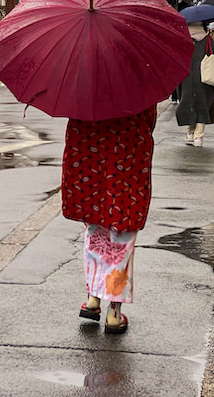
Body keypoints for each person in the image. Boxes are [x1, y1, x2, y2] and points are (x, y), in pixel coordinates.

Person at [62, 106, 157, 334]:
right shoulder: (139, 81)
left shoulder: (85, 82)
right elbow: (148, 122)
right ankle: (114, 312)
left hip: (92, 163)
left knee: (96, 231)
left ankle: (93, 298)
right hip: (127, 163)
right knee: (121, 236)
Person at [176, 23, 214, 147]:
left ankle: (190, 132)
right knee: (203, 104)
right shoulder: (208, 40)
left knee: (188, 102)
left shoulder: (183, 39)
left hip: (186, 76)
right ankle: (198, 137)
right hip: (204, 77)